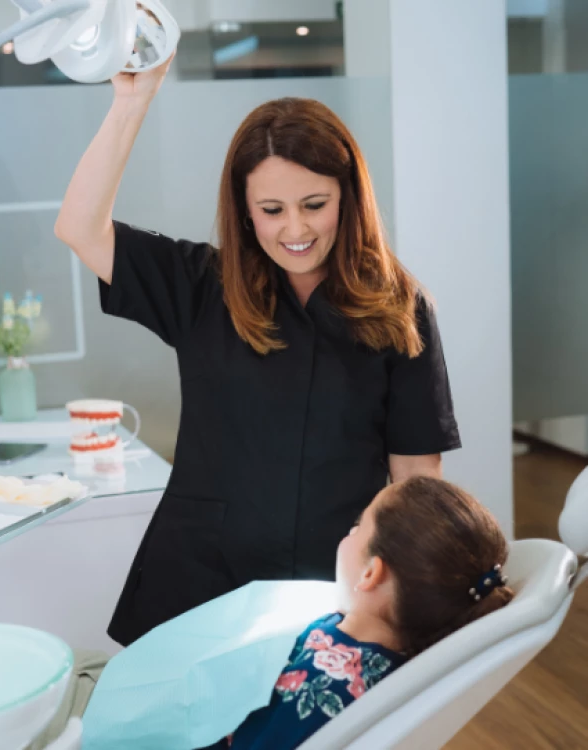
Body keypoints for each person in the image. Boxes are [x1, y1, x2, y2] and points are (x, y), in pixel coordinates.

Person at [55, 58, 462, 647]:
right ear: (245, 212)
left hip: (332, 589)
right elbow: (80, 227)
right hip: (199, 580)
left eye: (314, 204)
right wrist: (131, 101)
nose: (294, 228)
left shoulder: (399, 308)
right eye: (271, 210)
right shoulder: (200, 286)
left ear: (348, 198)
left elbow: (416, 477)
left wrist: (407, 607)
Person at [27, 476, 513, 750]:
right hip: (141, 689)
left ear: (371, 574)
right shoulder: (380, 650)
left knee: (23, 686)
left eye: (357, 527)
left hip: (130, 728)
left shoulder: (319, 694)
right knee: (55, 662)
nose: (347, 534)